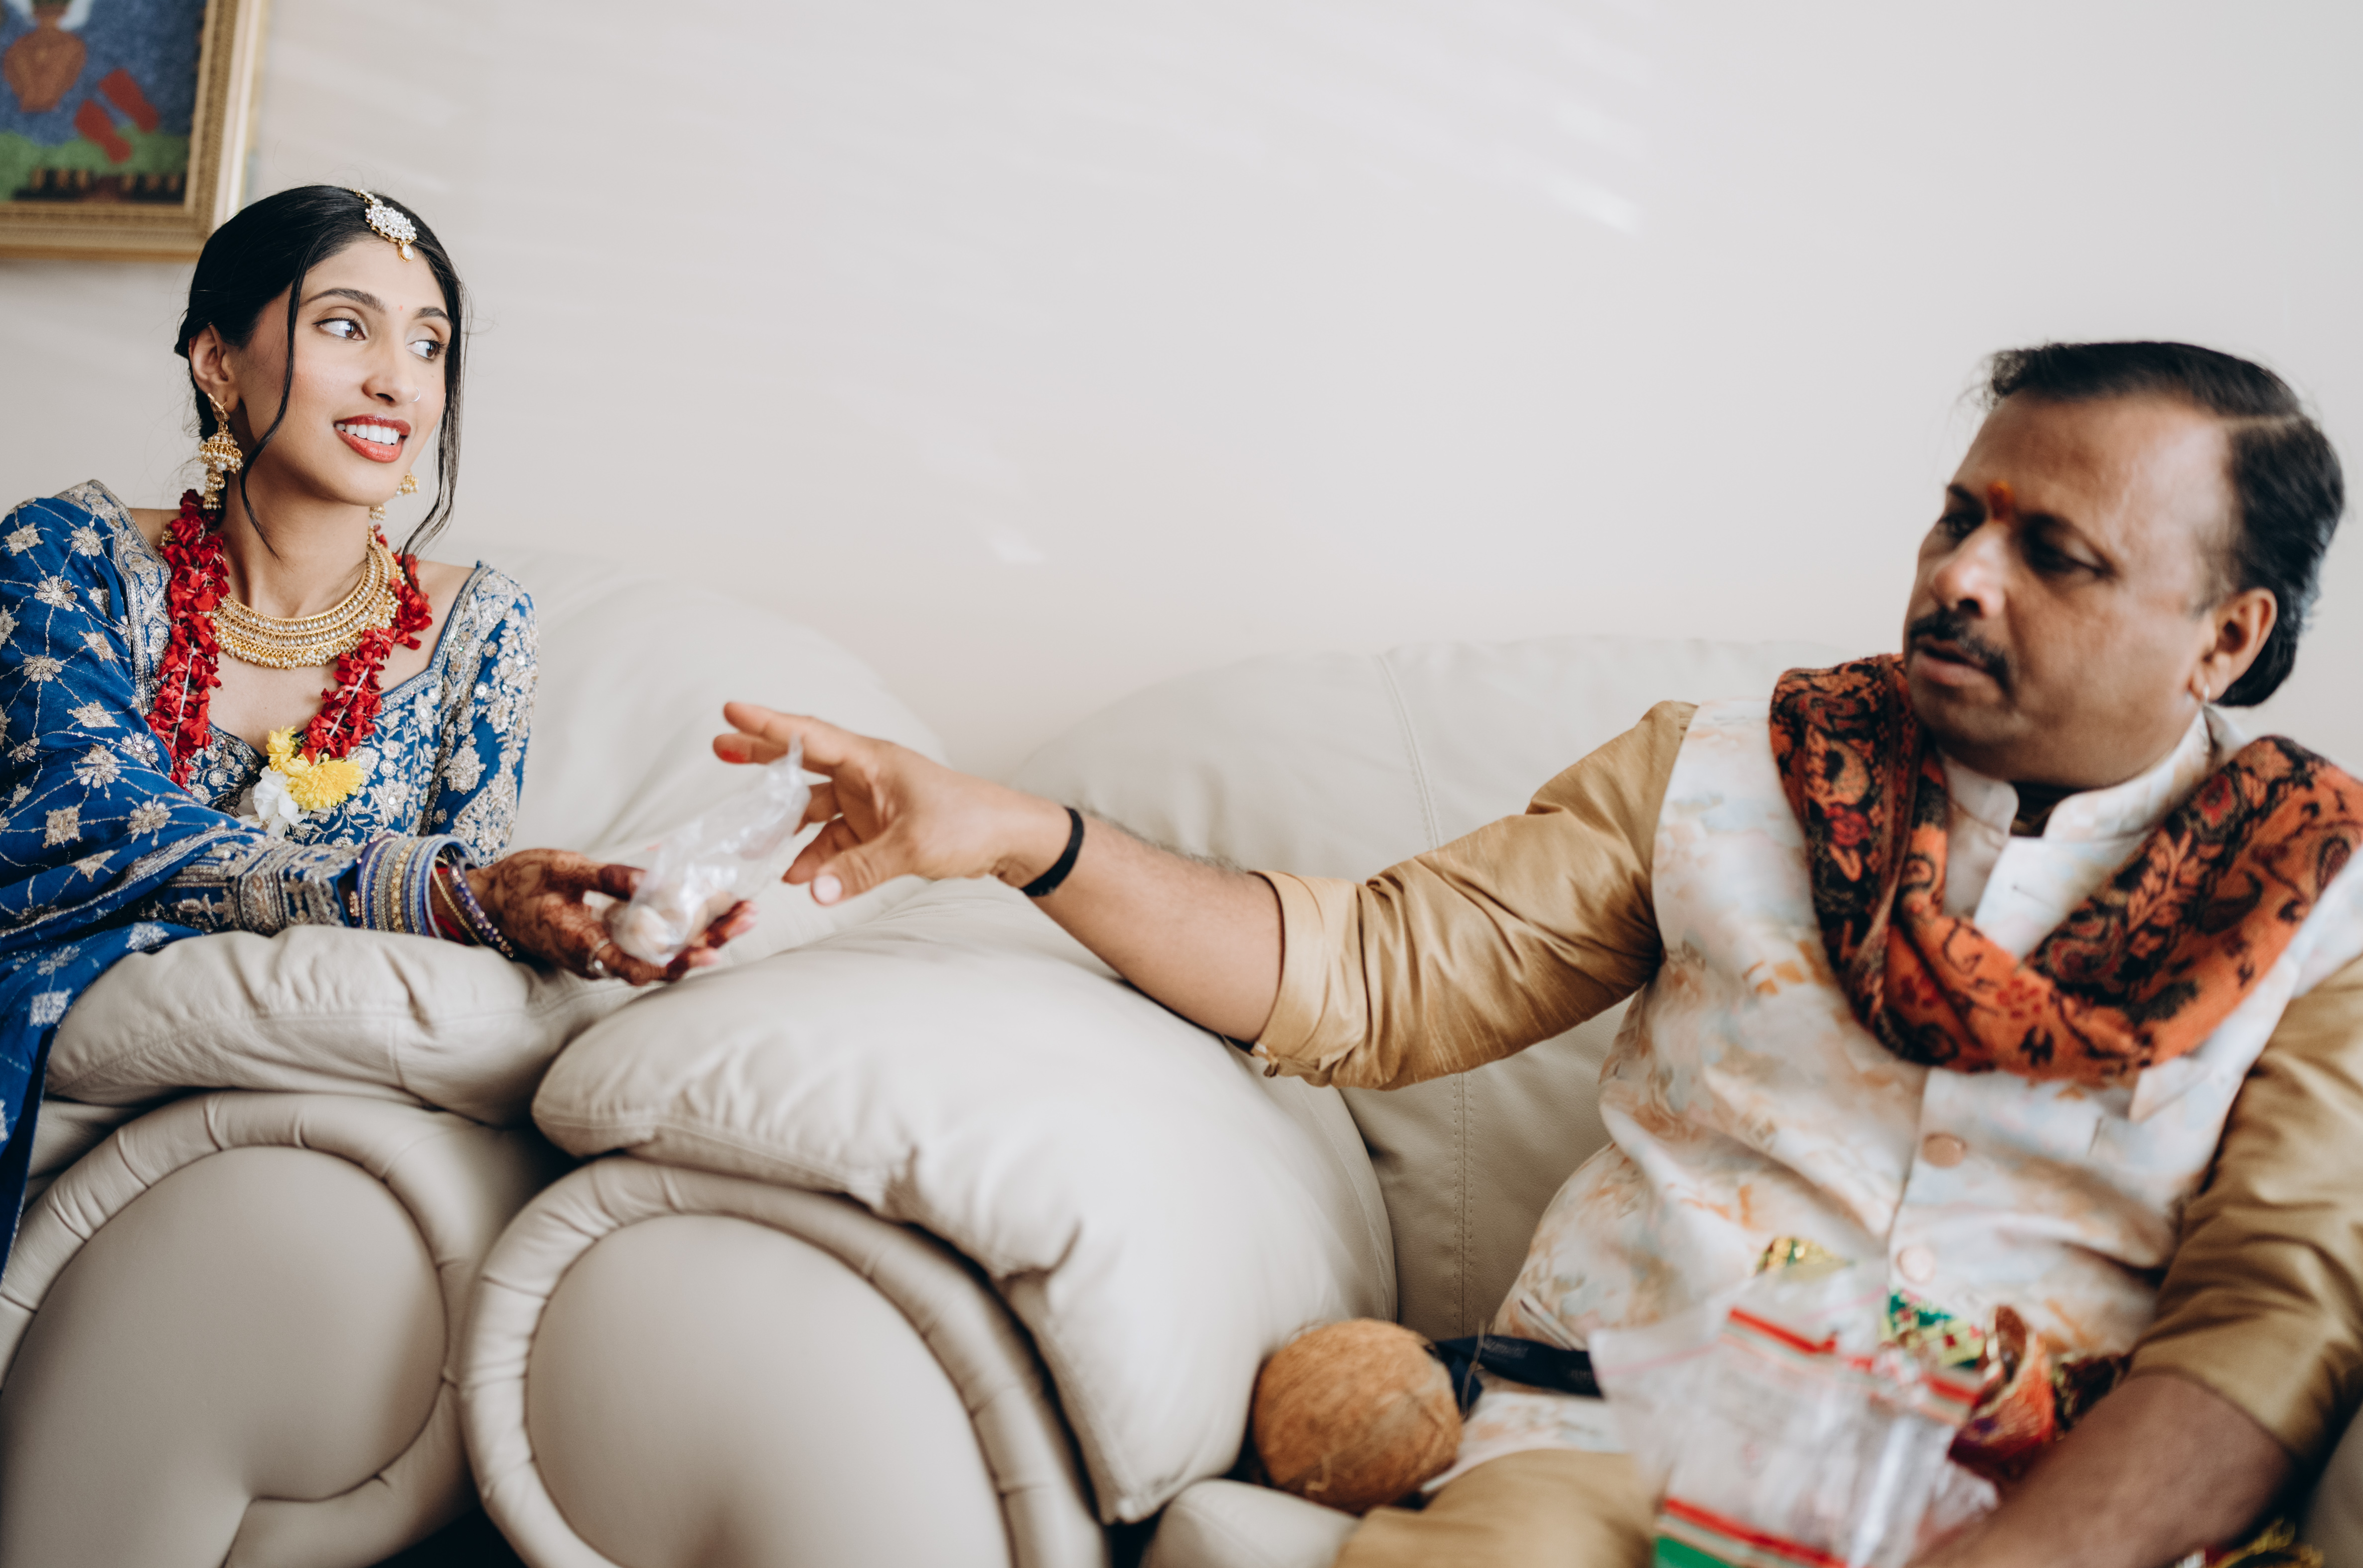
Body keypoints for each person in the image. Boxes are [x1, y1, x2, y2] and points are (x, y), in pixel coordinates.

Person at [714, 341, 2358, 1568]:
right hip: (1617, 1446)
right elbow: (1377, 973)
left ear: (2227, 637)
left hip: (2033, 1502)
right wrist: (1022, 835)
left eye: (2053, 553)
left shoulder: (2327, 919)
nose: (1960, 577)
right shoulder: (1730, 772)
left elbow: (2273, 1324)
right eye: (1957, 518)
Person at [0, 185, 738, 1568]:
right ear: (217, 361)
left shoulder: (483, 630)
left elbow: (462, 912)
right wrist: (430, 888)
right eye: (346, 326)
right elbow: (93, 818)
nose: (398, 379)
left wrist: (572, 916)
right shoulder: (64, 555)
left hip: (230, 1063)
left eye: (429, 343)